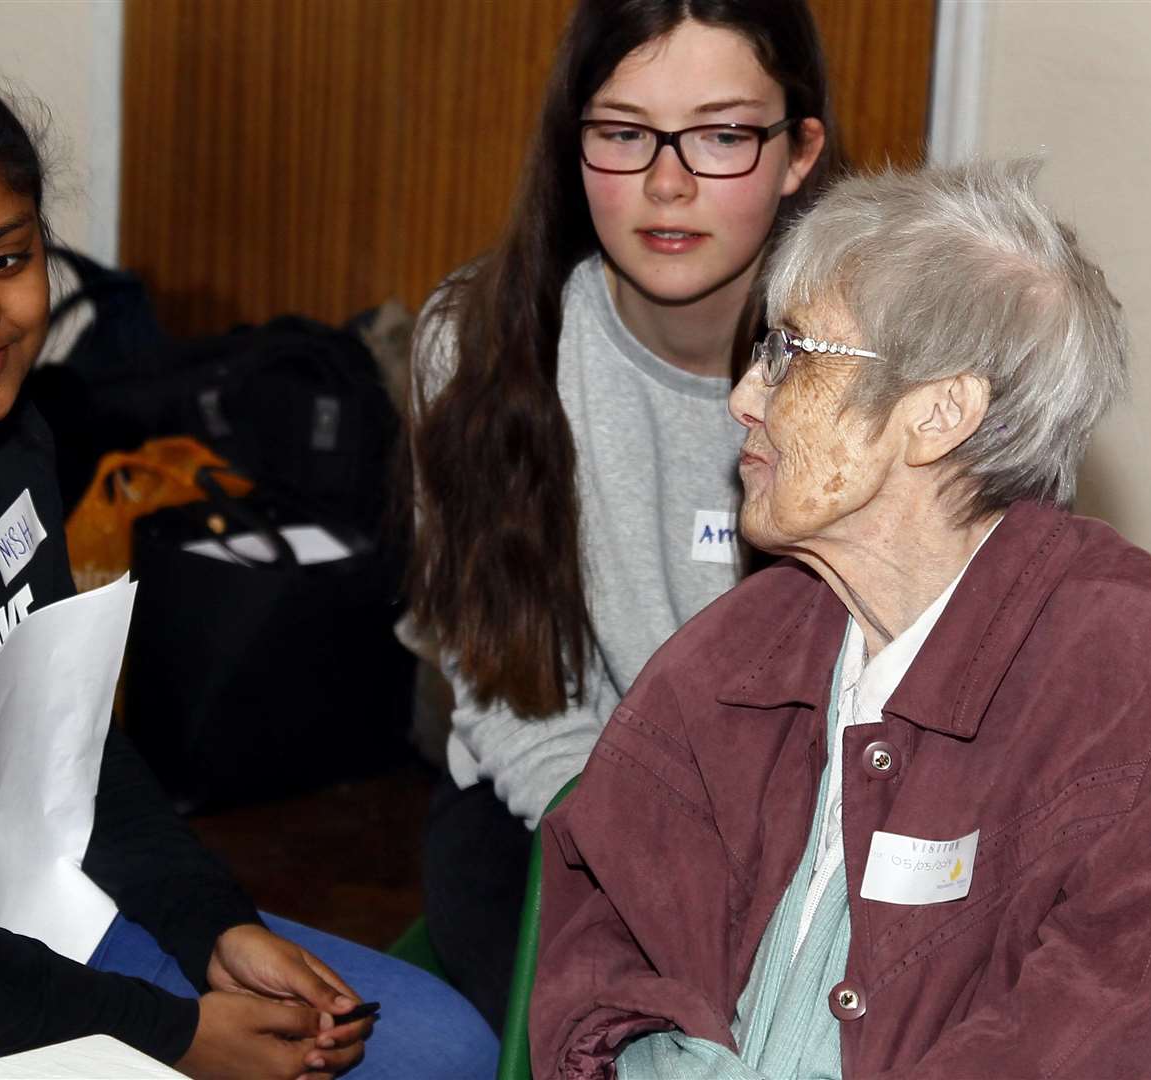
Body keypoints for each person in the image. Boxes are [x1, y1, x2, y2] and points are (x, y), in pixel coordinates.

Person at [0, 28, 496, 1080]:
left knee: (443, 1048)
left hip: (35, 905)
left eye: (5, 258)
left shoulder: (16, 436)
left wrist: (213, 927)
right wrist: (171, 1035)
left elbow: (67, 743)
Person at [530, 159, 1151, 1079]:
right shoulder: (736, 651)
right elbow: (598, 951)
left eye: (791, 354)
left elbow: (1102, 1040)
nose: (743, 397)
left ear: (940, 414)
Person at [407, 0, 833, 1030]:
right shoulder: (477, 346)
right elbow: (507, 688)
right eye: (624, 132)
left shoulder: (876, 370)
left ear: (798, 152)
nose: (668, 182)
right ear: (573, 141)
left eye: (725, 134)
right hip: (560, 802)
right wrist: (626, 846)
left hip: (812, 838)